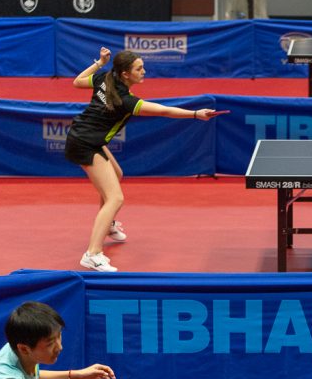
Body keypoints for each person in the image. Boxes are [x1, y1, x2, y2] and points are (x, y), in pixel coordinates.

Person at [66, 47, 226, 273]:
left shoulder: (105, 77)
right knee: (115, 198)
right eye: (139, 69)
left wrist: (100, 63)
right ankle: (92, 254)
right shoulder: (126, 101)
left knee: (117, 175)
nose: (144, 71)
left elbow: (77, 82)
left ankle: (107, 225)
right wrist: (194, 114)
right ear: (125, 74)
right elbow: (163, 111)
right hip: (85, 143)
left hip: (85, 136)